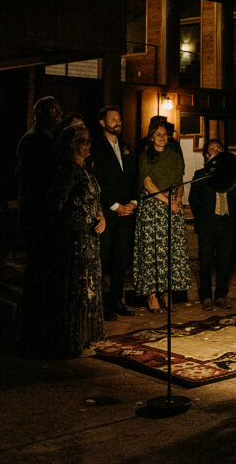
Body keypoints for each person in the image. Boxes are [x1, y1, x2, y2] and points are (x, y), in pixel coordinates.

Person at [50, 124, 107, 357]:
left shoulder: (86, 171)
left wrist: (102, 217)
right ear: (72, 144)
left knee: (90, 287)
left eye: (88, 141)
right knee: (78, 287)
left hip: (91, 237)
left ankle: (86, 337)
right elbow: (57, 203)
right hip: (76, 238)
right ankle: (73, 339)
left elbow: (94, 200)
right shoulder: (69, 172)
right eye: (83, 141)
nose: (88, 145)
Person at [14, 95, 63, 352]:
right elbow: (36, 180)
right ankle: (32, 328)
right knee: (38, 270)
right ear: (41, 114)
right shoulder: (34, 140)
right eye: (54, 110)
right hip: (38, 215)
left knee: (46, 271)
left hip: (46, 215)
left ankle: (42, 322)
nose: (59, 114)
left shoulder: (48, 139)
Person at [133, 118, 188, 313]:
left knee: (169, 251)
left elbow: (180, 182)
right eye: (158, 134)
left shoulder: (174, 156)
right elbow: (147, 184)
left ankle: (166, 292)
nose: (162, 137)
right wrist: (168, 201)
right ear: (151, 137)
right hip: (153, 207)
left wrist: (178, 200)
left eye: (165, 134)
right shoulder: (145, 156)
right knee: (152, 251)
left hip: (172, 207)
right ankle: (152, 294)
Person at [91, 105, 137, 320]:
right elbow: (97, 180)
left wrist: (133, 203)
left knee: (121, 257)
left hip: (127, 212)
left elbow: (133, 175)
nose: (118, 122)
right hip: (107, 213)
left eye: (119, 118)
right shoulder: (96, 147)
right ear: (103, 123)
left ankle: (116, 300)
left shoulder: (125, 146)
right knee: (103, 257)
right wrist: (115, 206)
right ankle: (99, 305)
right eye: (112, 119)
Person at [190, 138, 236, 311]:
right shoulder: (201, 175)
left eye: (220, 148)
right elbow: (193, 200)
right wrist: (201, 220)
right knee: (205, 261)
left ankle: (221, 296)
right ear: (207, 155)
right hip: (207, 225)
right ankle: (206, 297)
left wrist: (235, 219)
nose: (217, 151)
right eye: (213, 149)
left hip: (227, 223)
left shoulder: (231, 175)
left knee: (225, 261)